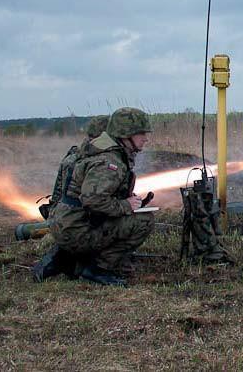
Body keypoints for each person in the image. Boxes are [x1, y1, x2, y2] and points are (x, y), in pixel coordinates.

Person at [36, 108, 155, 286]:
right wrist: (126, 206)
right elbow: (93, 200)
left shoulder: (100, 152)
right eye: (141, 133)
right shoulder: (109, 162)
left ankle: (69, 259)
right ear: (125, 135)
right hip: (76, 230)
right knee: (144, 220)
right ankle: (99, 269)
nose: (145, 138)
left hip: (69, 225)